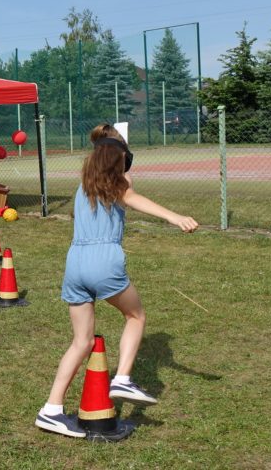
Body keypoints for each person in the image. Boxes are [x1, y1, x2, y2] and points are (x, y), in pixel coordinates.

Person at [35, 124, 199, 438]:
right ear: (118, 162)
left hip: (74, 263)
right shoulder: (119, 185)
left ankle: (51, 410)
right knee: (135, 316)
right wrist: (175, 217)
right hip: (103, 261)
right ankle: (122, 377)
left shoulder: (84, 186)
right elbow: (136, 197)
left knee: (81, 341)